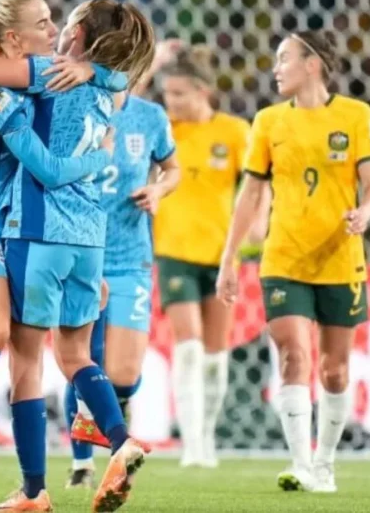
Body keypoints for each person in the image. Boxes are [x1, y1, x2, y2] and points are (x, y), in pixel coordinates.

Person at [0, 0, 130, 508]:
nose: (54, 29)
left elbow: (119, 79)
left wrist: (95, 70)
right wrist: (100, 156)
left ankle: (34, 491)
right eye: (42, 23)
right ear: (14, 39)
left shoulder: (33, 78)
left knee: (21, 347)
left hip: (12, 221)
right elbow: (49, 168)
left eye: (55, 19)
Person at [0, 0, 156, 512]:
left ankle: (33, 492)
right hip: (91, 240)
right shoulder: (109, 84)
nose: (55, 29)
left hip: (39, 233)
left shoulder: (51, 73)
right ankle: (121, 440)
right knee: (74, 357)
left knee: (26, 362)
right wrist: (95, 66)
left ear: (80, 33)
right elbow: (121, 78)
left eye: (65, 22)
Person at [216, 31, 370, 493]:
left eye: (284, 59)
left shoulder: (355, 115)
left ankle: (326, 462)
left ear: (313, 64)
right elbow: (251, 194)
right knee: (294, 353)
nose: (276, 68)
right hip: (283, 257)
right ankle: (301, 462)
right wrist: (228, 260)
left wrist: (365, 213)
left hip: (339, 259)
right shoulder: (268, 122)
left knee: (334, 370)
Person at [133, 41, 253, 467]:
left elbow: (260, 183)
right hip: (173, 251)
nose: (171, 102)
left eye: (180, 93)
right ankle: (193, 446)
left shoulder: (235, 132)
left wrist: (261, 220)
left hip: (221, 255)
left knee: (216, 357)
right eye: (167, 94)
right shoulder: (165, 130)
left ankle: (208, 435)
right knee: (188, 347)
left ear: (204, 91)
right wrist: (154, 64)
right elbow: (124, 104)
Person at [63, 94, 180, 488]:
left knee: (124, 375)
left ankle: (116, 416)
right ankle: (83, 464)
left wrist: (159, 191)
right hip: (80, 249)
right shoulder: (73, 105)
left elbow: (173, 169)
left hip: (130, 257)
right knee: (83, 358)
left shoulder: (150, 116)